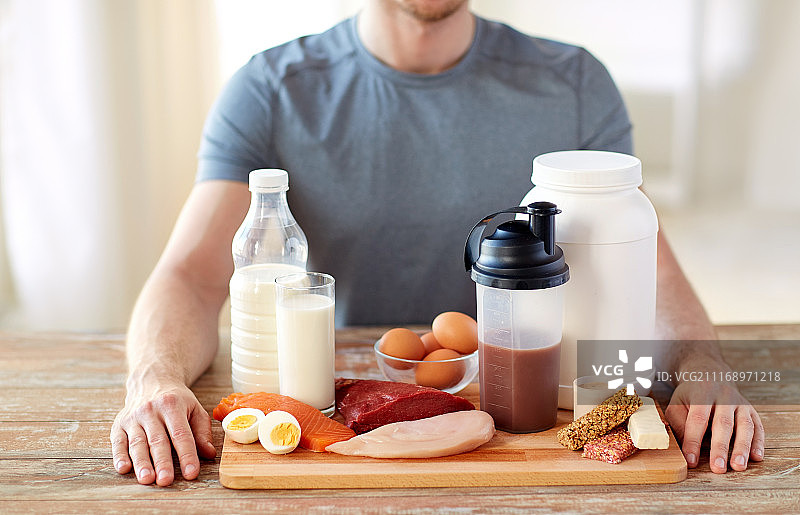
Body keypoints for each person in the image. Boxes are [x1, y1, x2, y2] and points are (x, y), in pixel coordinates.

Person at [111, 0, 763, 486]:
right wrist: (154, 377)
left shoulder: (575, 84)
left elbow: (649, 272)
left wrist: (702, 360)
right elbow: (191, 277)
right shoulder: (270, 91)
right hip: (347, 410)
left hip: (547, 409)